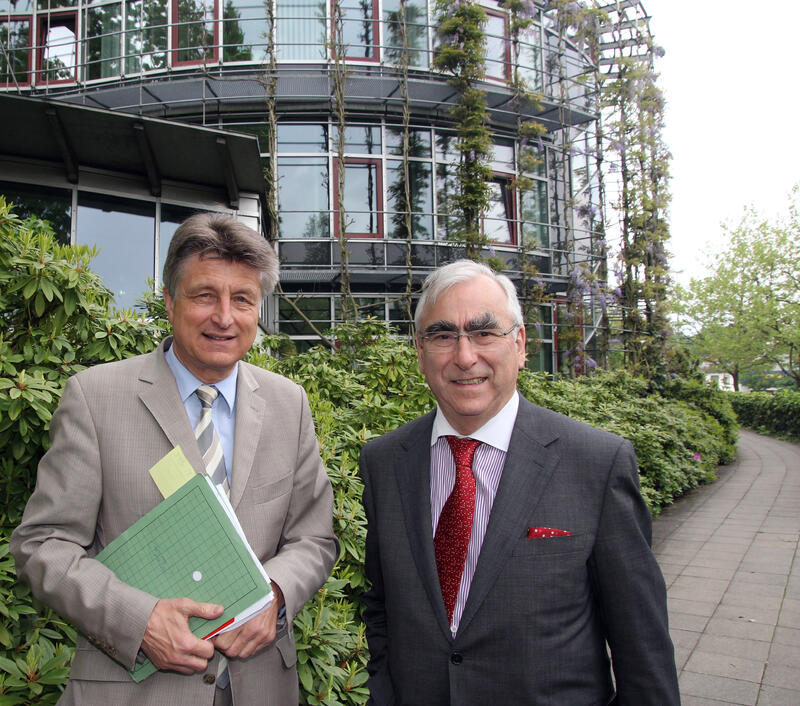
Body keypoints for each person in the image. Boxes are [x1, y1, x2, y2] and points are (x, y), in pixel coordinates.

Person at [11, 212, 338, 705]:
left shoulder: (288, 404)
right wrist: (138, 621)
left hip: (261, 687)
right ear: (169, 301)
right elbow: (42, 544)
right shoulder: (95, 398)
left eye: (242, 299)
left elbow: (313, 538)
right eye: (204, 295)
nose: (224, 317)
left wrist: (275, 593)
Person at [359, 259, 680, 705]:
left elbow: (641, 643)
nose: (464, 356)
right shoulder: (384, 461)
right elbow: (380, 607)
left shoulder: (596, 463)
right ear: (420, 351)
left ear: (521, 344)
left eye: (484, 332)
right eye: (442, 335)